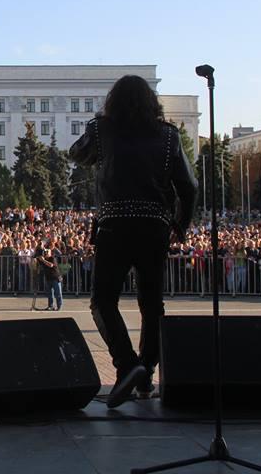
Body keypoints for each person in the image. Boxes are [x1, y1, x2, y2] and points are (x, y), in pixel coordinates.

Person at [70, 75, 197, 408]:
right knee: (152, 303)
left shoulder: (102, 130)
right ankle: (146, 378)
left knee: (103, 300)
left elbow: (77, 154)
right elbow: (190, 187)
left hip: (115, 225)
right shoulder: (169, 136)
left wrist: (98, 134)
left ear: (113, 101)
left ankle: (127, 365)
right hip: (155, 227)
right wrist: (180, 225)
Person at [38, 245, 63, 311]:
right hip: (48, 278)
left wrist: (43, 260)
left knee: (58, 293)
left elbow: (51, 265)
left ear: (50, 253)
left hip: (55, 278)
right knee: (49, 294)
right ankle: (50, 306)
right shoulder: (43, 260)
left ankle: (59, 306)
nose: (46, 253)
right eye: (45, 252)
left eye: (47, 252)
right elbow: (36, 259)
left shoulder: (52, 258)